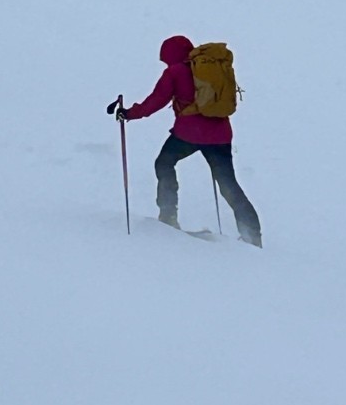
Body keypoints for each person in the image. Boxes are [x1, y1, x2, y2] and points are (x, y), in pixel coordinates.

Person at [109, 35, 262, 246]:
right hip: (221, 134)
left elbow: (155, 101)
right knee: (228, 184)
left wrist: (129, 114)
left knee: (164, 162)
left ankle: (168, 216)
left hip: (190, 133)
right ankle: (252, 235)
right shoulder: (209, 69)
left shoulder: (174, 72)